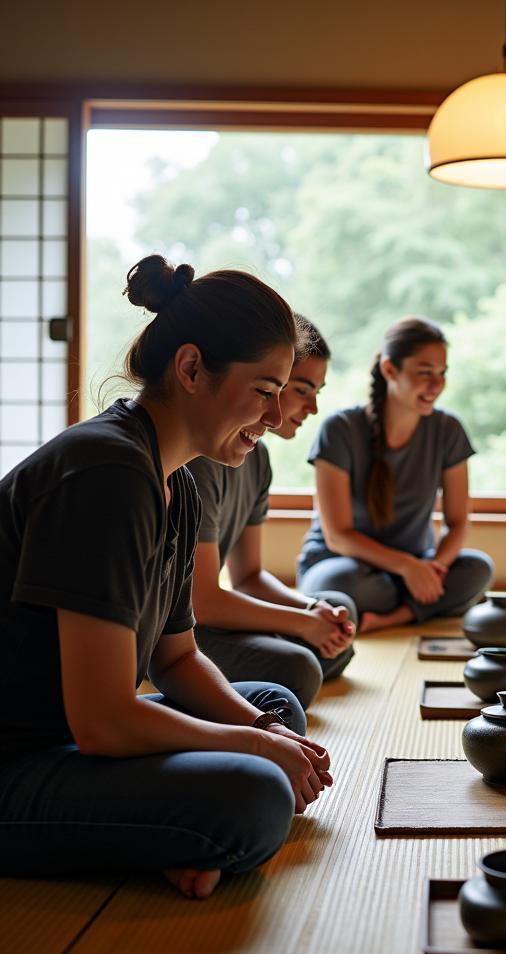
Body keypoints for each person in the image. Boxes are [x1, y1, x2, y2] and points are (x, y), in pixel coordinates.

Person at [0, 255, 334, 900]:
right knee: (256, 793)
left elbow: (177, 657)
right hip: (22, 756)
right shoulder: (107, 473)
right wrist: (257, 754)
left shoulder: (175, 480)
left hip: (66, 736)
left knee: (274, 708)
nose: (273, 418)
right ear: (190, 369)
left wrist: (259, 733)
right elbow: (102, 719)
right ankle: (169, 832)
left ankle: (165, 831)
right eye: (265, 391)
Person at [188, 315, 355, 709]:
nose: (312, 407)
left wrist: (312, 611)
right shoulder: (202, 459)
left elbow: (248, 576)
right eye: (301, 389)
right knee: (300, 668)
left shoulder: (256, 458)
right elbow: (204, 601)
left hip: (208, 615)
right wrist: (302, 623)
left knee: (336, 617)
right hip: (176, 627)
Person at [296, 316, 493, 632]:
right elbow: (338, 536)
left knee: (479, 568)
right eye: (425, 373)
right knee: (337, 585)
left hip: (416, 566)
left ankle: (392, 617)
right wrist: (407, 568)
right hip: (345, 566)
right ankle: (418, 605)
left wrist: (434, 569)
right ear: (390, 370)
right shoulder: (340, 430)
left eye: (442, 374)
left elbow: (458, 523)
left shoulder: (448, 430)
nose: (436, 385)